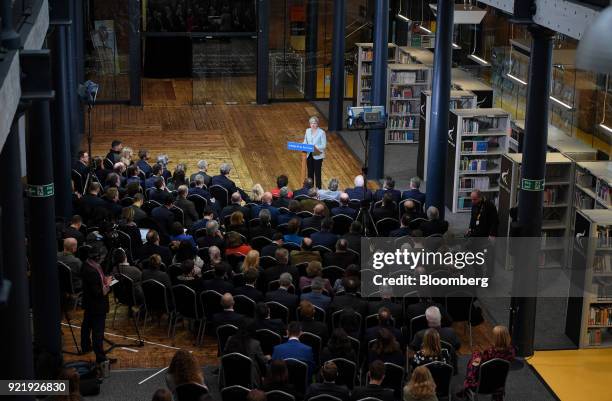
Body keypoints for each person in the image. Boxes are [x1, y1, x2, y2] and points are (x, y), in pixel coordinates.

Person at [458, 325, 514, 400]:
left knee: (475, 358)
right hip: (498, 385)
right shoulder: (511, 352)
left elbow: (479, 364)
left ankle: (469, 382)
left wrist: (477, 355)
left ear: (496, 339)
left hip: (481, 385)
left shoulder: (490, 353)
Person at [80, 247, 113, 364]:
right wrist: (108, 284)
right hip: (97, 305)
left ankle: (85, 347)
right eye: (102, 257)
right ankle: (101, 357)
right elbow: (98, 293)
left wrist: (104, 281)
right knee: (98, 331)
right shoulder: (92, 271)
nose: (103, 260)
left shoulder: (87, 264)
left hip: (89, 303)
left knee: (86, 325)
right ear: (97, 257)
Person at [303, 116, 327, 189]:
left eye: (314, 123)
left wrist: (314, 147)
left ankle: (319, 190)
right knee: (310, 173)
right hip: (309, 155)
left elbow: (324, 145)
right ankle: (310, 189)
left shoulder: (322, 132)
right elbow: (305, 141)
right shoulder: (307, 131)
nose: (313, 125)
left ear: (317, 124)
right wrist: (303, 146)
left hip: (318, 156)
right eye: (311, 123)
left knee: (317, 174)